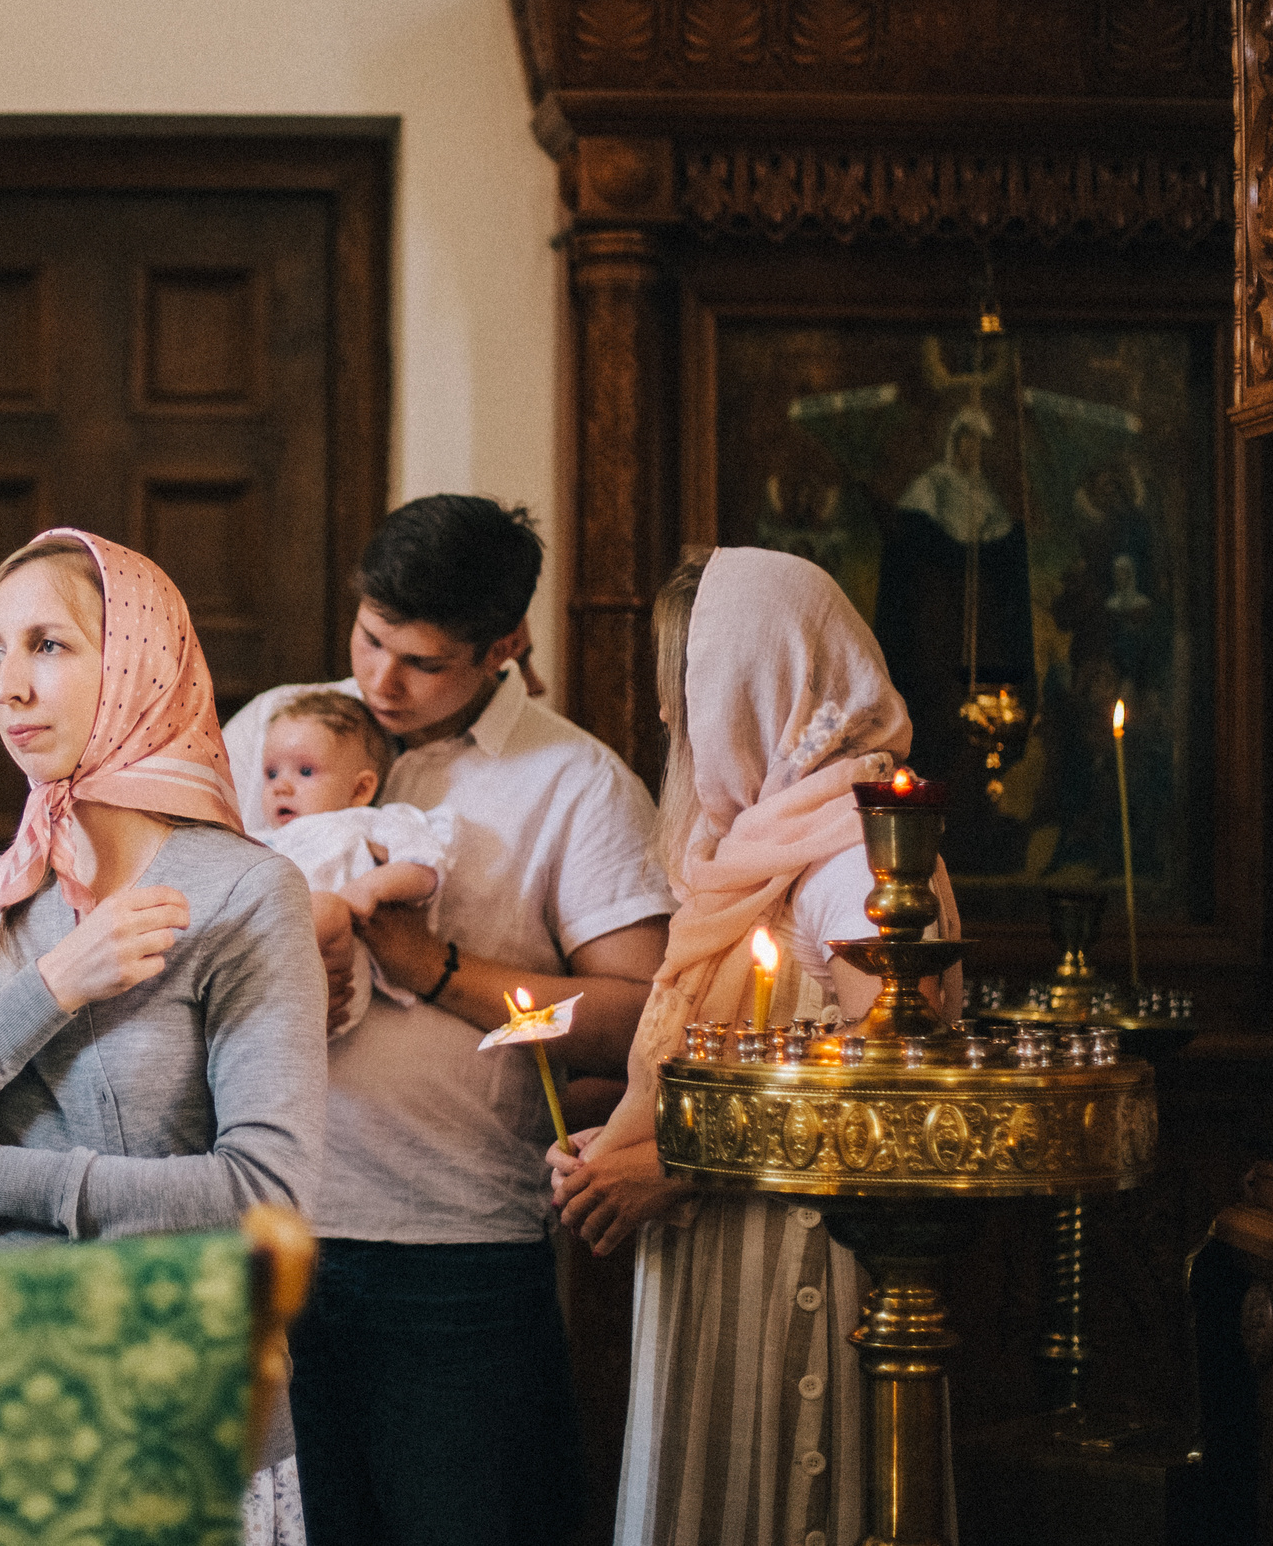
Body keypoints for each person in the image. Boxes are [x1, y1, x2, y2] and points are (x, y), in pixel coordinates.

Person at [0, 526, 324, 1544]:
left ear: (139, 666)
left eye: (47, 646)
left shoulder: (243, 893)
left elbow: (269, 1194)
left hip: (176, 1398)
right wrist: (49, 988)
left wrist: (7, 1184)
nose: (9, 687)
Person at [220, 494, 673, 1546]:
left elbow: (632, 1018)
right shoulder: (279, 732)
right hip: (260, 1223)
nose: (380, 682)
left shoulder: (575, 784)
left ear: (505, 645)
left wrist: (436, 971)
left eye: (420, 662)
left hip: (454, 1251)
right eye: (370, 638)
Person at [548, 546, 959, 1546]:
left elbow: (895, 1097)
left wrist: (674, 1167)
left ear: (756, 689)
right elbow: (739, 1060)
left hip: (799, 1271)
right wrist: (618, 1145)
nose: (665, 724)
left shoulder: (853, 862)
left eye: (683, 696)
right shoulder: (769, 848)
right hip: (729, 1258)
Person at [255, 688, 450, 1037]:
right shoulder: (260, 840)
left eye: (304, 771)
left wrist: (368, 887)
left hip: (332, 981)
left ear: (360, 790)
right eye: (271, 774)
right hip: (267, 976)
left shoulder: (365, 821)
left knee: (326, 909)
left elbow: (425, 867)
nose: (280, 786)